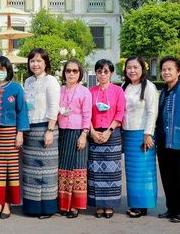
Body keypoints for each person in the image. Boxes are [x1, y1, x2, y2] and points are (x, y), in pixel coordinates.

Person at [0, 56, 30, 218]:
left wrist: (20, 133)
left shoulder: (16, 88)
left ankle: (7, 204)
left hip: (10, 135)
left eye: (2, 69)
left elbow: (21, 111)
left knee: (10, 171)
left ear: (8, 70)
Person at [155, 56, 180, 223]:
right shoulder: (164, 91)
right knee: (167, 176)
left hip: (179, 142)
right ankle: (171, 208)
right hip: (164, 141)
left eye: (170, 69)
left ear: (178, 72)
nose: (166, 72)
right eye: (164, 69)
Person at [21, 48, 61, 219]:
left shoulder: (50, 81)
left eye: (39, 61)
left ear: (46, 63)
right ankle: (32, 207)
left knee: (46, 170)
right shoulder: (28, 81)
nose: (35, 64)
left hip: (46, 127)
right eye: (32, 61)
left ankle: (47, 208)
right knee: (31, 170)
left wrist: (50, 130)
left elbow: (54, 106)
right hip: (30, 129)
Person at [121, 56, 159, 218]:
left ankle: (143, 206)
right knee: (132, 173)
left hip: (143, 134)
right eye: (129, 67)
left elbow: (152, 111)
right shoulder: (125, 87)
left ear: (142, 69)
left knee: (144, 171)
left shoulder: (149, 87)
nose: (132, 70)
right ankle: (135, 203)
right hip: (128, 134)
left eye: (135, 67)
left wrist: (147, 133)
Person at [87, 59, 125, 219]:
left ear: (111, 73)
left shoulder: (117, 90)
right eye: (99, 71)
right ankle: (98, 205)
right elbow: (86, 113)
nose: (102, 74)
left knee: (112, 171)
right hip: (94, 133)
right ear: (96, 73)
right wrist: (93, 131)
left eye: (106, 71)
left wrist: (109, 131)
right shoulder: (90, 92)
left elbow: (120, 112)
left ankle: (109, 205)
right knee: (95, 171)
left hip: (112, 133)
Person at [56, 58, 92, 218]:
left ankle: (76, 206)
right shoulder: (60, 90)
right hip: (62, 132)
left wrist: (84, 134)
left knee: (77, 168)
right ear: (64, 73)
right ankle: (64, 204)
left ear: (80, 73)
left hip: (78, 132)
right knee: (63, 167)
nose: (71, 73)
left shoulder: (84, 91)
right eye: (68, 70)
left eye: (75, 71)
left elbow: (87, 114)